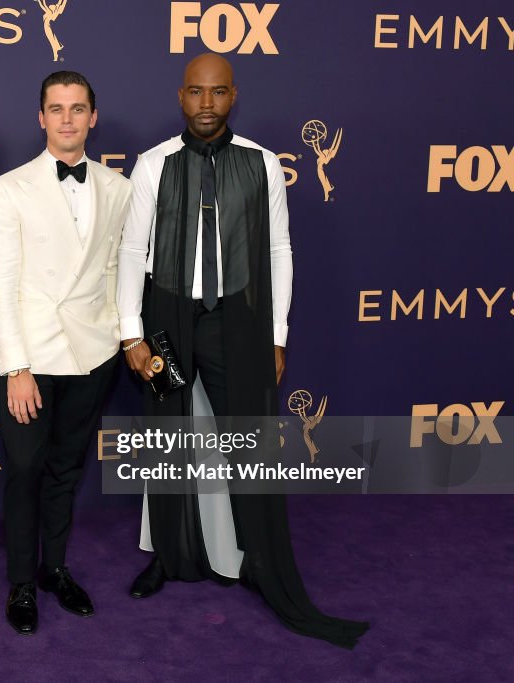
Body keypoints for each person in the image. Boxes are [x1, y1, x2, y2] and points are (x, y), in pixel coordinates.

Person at [116, 53, 369, 648]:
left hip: (240, 319)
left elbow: (279, 251)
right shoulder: (152, 165)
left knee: (249, 443)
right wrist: (132, 331)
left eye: (219, 93)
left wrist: (276, 335)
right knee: (167, 441)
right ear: (182, 97)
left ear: (234, 97)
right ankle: (168, 556)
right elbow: (131, 251)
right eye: (197, 93)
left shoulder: (261, 165)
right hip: (167, 316)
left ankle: (260, 560)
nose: (207, 104)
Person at [0, 71, 131, 635]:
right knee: (24, 471)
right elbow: (3, 285)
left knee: (67, 470)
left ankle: (55, 568)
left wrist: (120, 338)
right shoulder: (9, 188)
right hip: (34, 359)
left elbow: (116, 270)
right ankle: (22, 581)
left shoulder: (118, 189)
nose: (67, 119)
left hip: (93, 357)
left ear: (93, 117)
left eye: (77, 109)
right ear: (40, 117)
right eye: (56, 108)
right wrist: (16, 368)